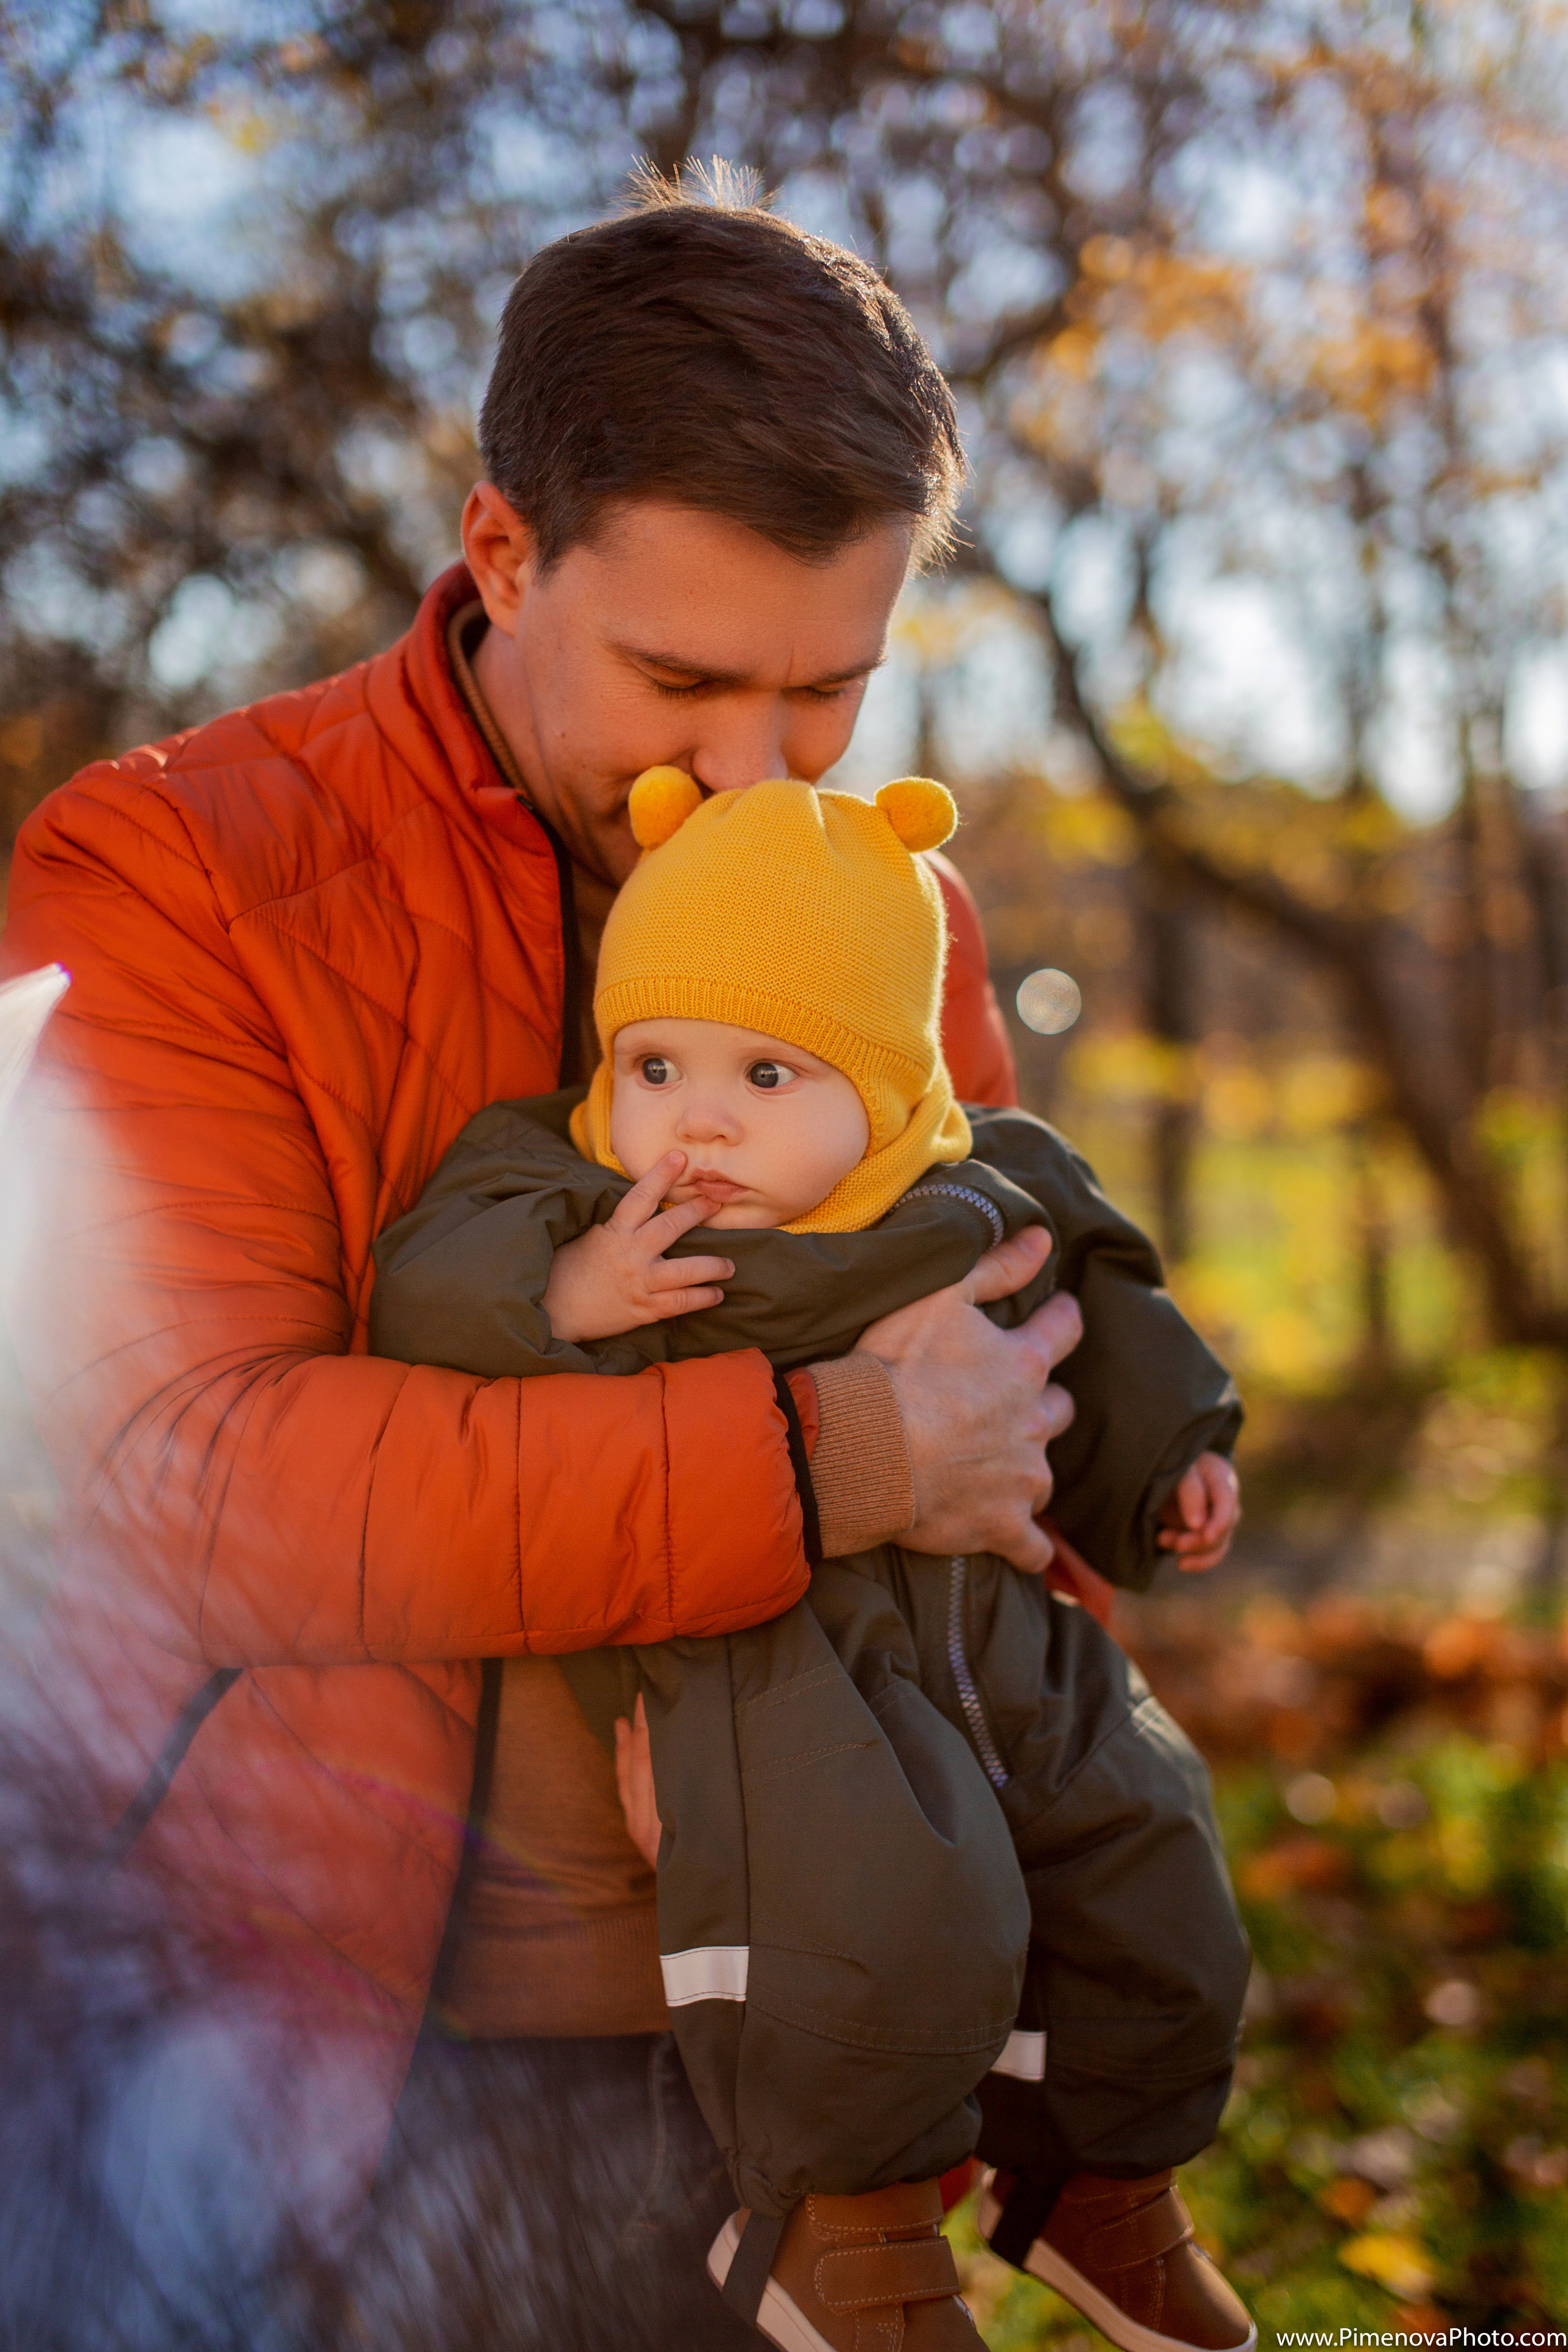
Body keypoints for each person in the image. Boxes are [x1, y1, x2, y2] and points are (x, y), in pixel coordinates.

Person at [0, 188, 1095, 2342]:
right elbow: (187, 1486)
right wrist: (826, 1461)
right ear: (503, 555)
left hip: (788, 2060)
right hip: (292, 2056)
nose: (756, 771)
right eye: (682, 679)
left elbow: (1012, 1415)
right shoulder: (175, 868)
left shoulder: (894, 916)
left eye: (830, 691)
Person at [368, 769, 1254, 2352]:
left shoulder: (977, 1183)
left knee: (1149, 1835)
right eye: (654, 1064)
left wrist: (1175, 1451)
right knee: (883, 1908)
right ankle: (847, 2232)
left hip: (995, 1627)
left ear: (889, 1077)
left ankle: (1106, 2181)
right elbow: (426, 1286)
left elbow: (1107, 1307)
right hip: (773, 1658)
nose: (695, 1119)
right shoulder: (579, 1192)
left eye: (767, 1072)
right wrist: (567, 1293)